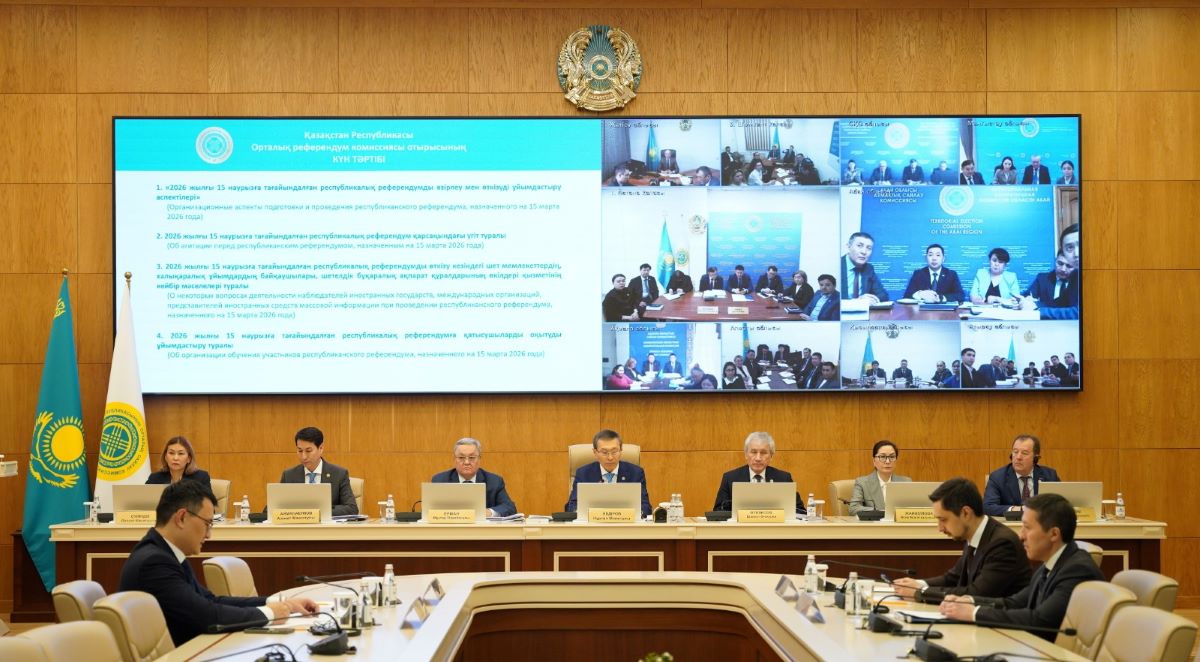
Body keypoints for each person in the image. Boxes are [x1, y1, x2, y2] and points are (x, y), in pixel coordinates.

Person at [118, 481, 317, 646]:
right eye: (207, 524)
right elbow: (206, 616)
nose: (209, 535)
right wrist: (269, 613)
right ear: (181, 518)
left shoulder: (166, 552)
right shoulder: (154, 562)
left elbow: (211, 601)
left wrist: (277, 603)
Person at [939, 493, 1105, 640]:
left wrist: (973, 614)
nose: (1021, 536)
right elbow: (1014, 602)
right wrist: (969, 602)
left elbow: (1040, 620)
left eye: (1027, 527)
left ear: (1054, 534)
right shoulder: (1050, 564)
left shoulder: (1077, 570)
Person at [893, 478, 1032, 603]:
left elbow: (977, 594)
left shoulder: (1002, 543)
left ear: (966, 513)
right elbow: (953, 578)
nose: (940, 528)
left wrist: (920, 593)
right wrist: (918, 584)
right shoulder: (974, 533)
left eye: (943, 520)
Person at [564, 429, 651, 517]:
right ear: (595, 453)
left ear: (621, 451)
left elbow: (646, 507)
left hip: (625, 523)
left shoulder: (636, 473)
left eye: (614, 452)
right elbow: (571, 506)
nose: (610, 457)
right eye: (604, 452)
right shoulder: (583, 473)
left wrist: (632, 514)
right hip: (594, 523)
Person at [712, 432, 805, 513]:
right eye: (753, 452)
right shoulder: (730, 478)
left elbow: (800, 511)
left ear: (771, 456)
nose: (758, 458)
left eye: (763, 453)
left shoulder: (784, 478)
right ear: (746, 454)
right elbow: (718, 511)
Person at [280, 427, 357, 516]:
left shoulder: (339, 474)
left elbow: (351, 508)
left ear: (321, 448)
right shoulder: (289, 476)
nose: (304, 456)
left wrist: (317, 512)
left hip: (325, 524)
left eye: (308, 451)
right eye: (300, 451)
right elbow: (272, 508)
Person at [430, 438, 517, 517]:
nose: (466, 462)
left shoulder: (494, 481)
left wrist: (489, 512)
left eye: (472, 457)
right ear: (454, 459)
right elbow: (430, 510)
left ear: (479, 459)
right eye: (461, 457)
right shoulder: (440, 480)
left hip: (482, 529)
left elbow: (509, 507)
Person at [983, 434, 1062, 516]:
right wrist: (1016, 509)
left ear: (1035, 458)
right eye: (1015, 452)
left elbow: (1061, 505)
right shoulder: (998, 477)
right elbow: (987, 507)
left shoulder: (1050, 476)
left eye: (1024, 453)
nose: (1018, 457)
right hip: (1011, 523)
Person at [848, 440, 912, 515]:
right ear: (874, 461)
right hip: (874, 522)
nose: (887, 461)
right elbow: (853, 508)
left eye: (892, 457)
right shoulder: (862, 483)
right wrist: (879, 511)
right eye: (882, 457)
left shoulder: (906, 482)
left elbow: (913, 508)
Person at [840, 233, 890, 302]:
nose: (864, 252)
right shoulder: (837, 265)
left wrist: (872, 299)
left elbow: (883, 295)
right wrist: (857, 302)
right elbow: (830, 301)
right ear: (848, 246)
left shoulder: (869, 268)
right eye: (859, 246)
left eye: (869, 248)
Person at [146, 436, 212, 488]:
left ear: (189, 458)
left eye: (181, 453)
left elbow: (208, 501)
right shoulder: (154, 479)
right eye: (171, 453)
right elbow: (144, 499)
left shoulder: (201, 478)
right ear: (165, 457)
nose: (175, 458)